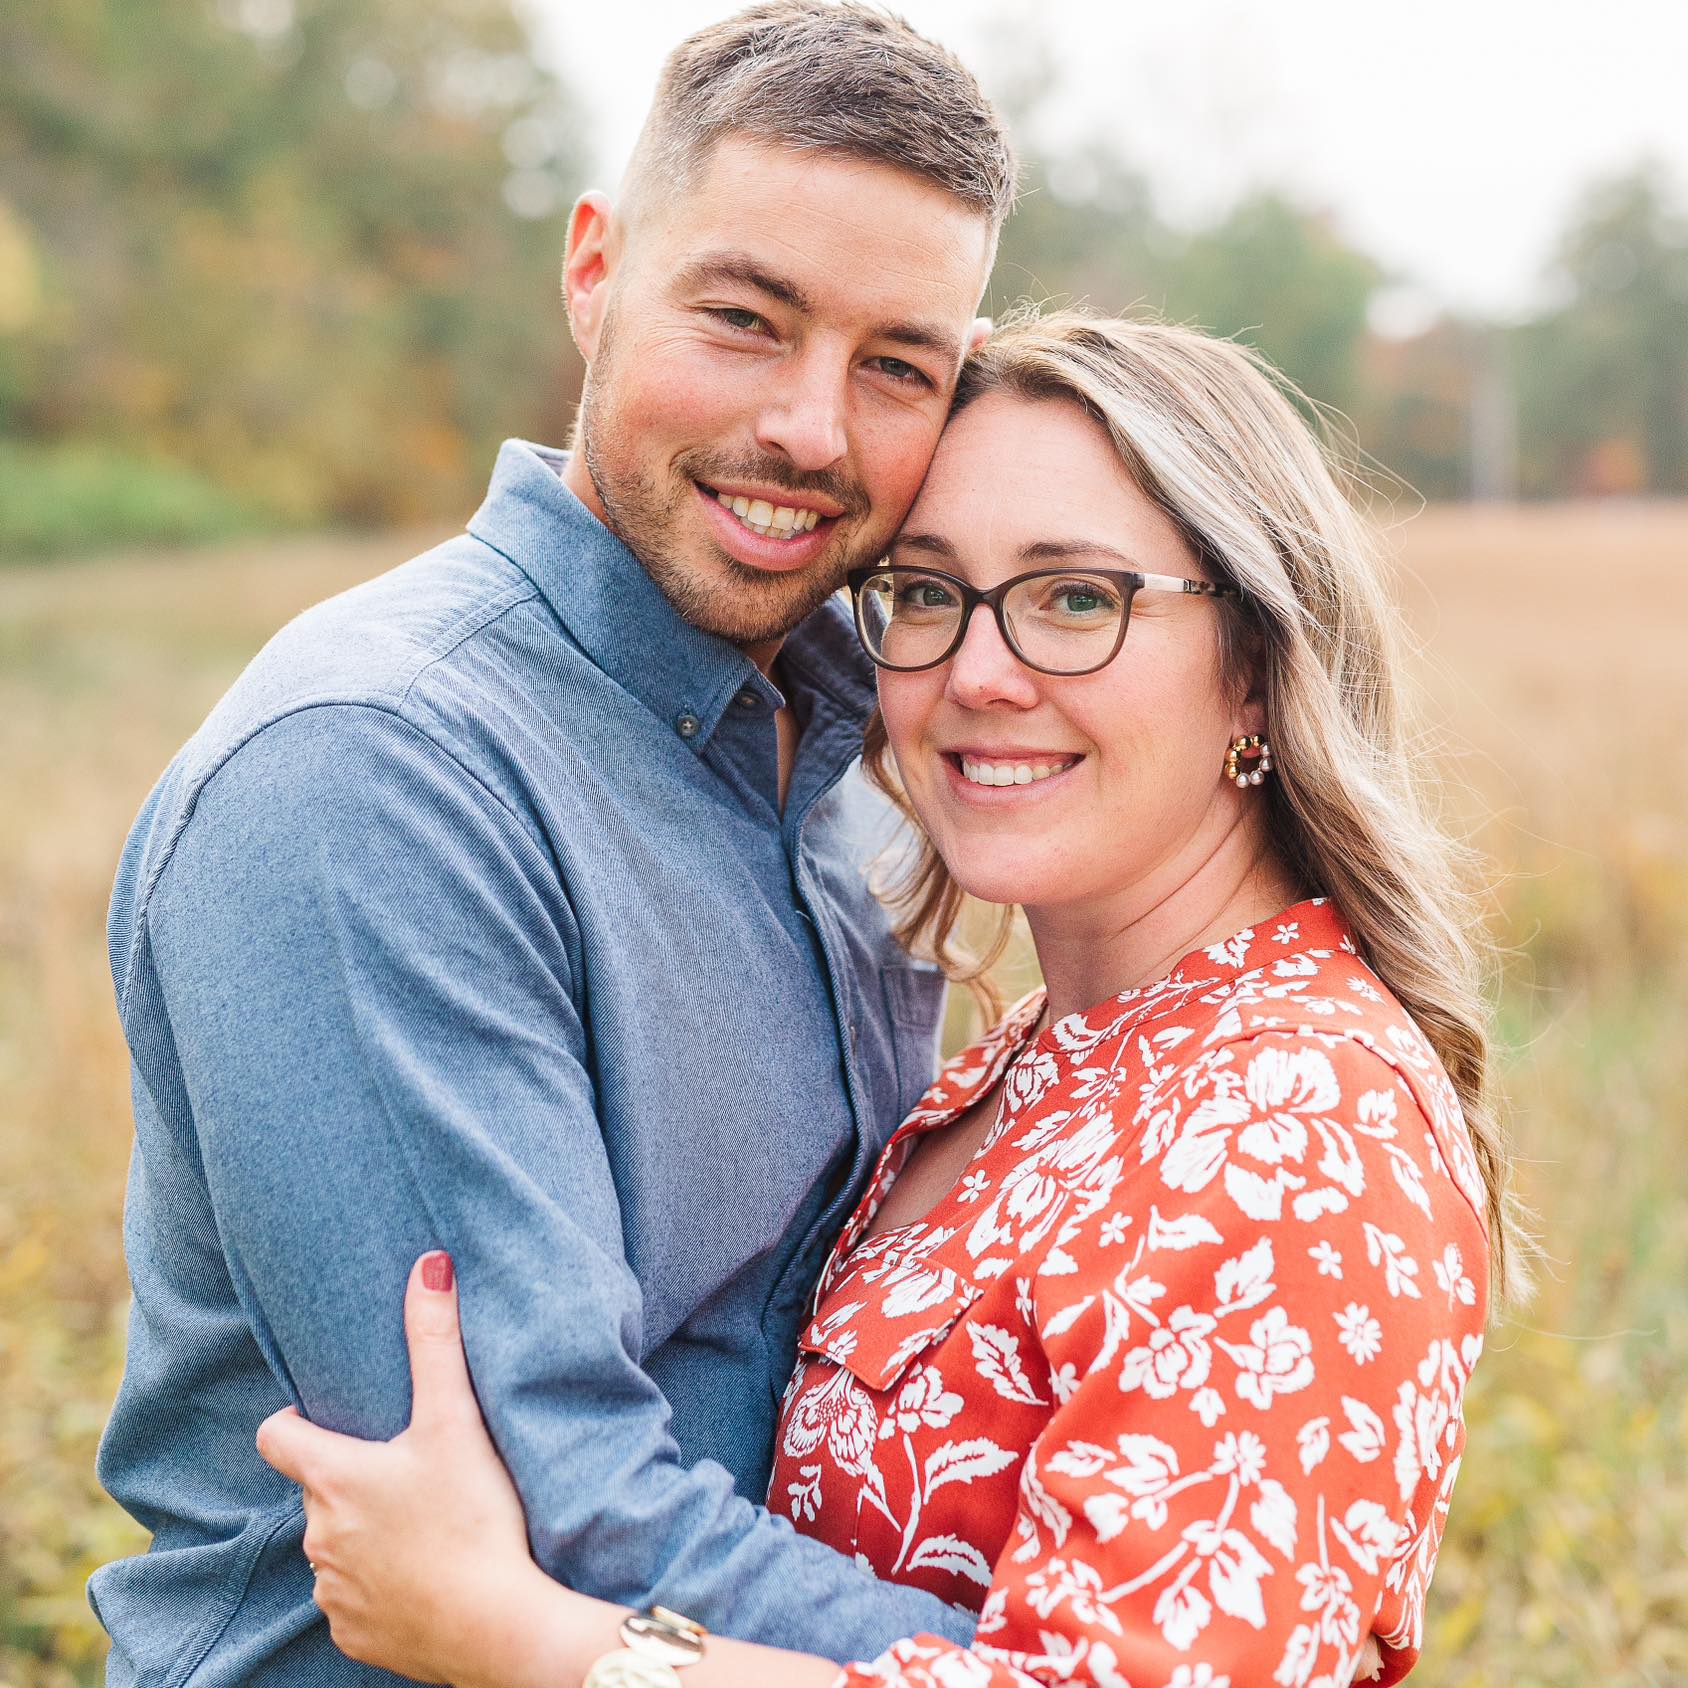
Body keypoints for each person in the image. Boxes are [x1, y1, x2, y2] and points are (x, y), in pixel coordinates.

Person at [256, 311, 1520, 1687]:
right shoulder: (1040, 1061)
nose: (975, 673)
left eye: (1075, 599)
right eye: (923, 594)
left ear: (1258, 670)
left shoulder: (1301, 1121)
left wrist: (525, 1636)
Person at [92, 6, 1021, 1682]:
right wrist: (1066, 1669)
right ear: (595, 270)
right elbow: (551, 1506)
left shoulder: (864, 746)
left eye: (899, 366)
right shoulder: (376, 772)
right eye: (744, 319)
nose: (813, 429)